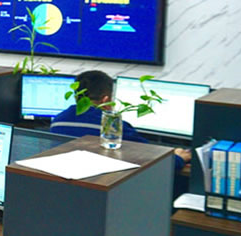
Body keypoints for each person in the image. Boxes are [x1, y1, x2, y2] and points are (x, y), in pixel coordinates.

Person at [51, 70, 192, 170]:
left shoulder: (57, 121)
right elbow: (154, 164)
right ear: (106, 99)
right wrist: (179, 158)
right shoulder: (113, 127)